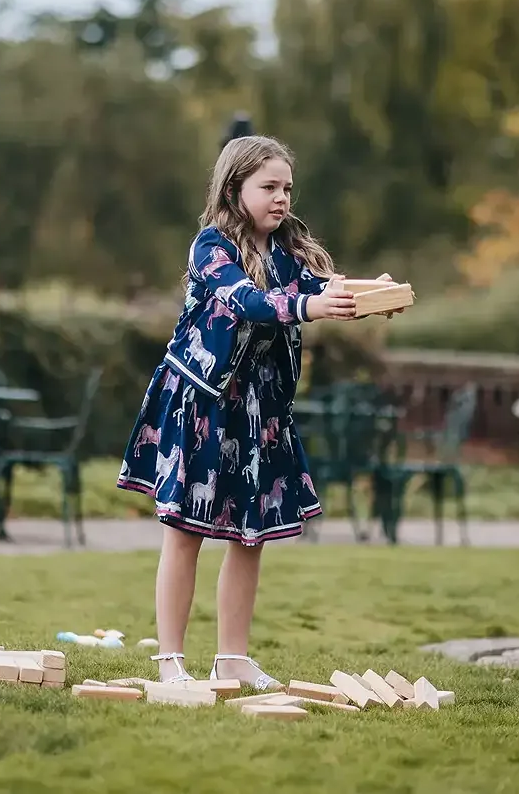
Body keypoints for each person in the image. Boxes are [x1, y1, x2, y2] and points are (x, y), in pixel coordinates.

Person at [117, 134, 393, 690]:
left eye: (287, 187)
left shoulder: (287, 253)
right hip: (203, 403)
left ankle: (233, 658)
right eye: (268, 186)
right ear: (233, 187)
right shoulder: (210, 247)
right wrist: (312, 306)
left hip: (258, 411)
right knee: (184, 531)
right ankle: (170, 660)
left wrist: (370, 294)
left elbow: (320, 288)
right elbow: (248, 301)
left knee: (251, 535)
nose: (281, 198)